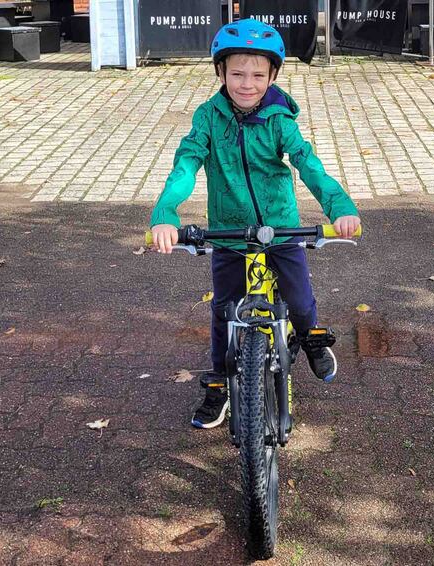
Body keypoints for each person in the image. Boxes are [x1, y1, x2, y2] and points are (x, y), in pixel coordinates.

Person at [149, 19, 361, 429]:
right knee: (224, 312)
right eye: (237, 73)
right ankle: (218, 386)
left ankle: (312, 339)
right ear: (221, 72)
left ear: (273, 75)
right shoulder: (208, 117)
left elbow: (308, 165)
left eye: (258, 75)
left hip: (280, 230)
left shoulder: (280, 120)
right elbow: (186, 165)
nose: (247, 83)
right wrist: (166, 214)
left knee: (299, 301)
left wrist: (339, 207)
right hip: (228, 233)